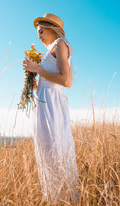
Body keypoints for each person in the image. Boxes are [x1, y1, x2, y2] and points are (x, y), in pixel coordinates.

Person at [23, 13, 80, 204]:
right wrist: (35, 85)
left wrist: (36, 69)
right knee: (47, 150)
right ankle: (56, 198)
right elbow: (52, 80)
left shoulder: (60, 44)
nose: (39, 36)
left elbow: (66, 81)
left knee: (56, 149)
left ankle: (64, 197)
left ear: (51, 28)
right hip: (45, 100)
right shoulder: (52, 50)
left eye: (41, 31)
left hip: (53, 104)